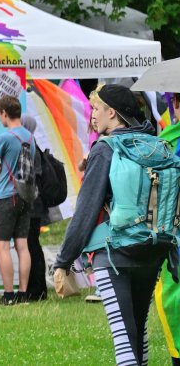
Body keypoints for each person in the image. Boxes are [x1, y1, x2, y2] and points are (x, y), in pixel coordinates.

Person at [53, 85, 178, 366]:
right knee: (137, 331)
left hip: (113, 255)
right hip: (152, 250)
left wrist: (62, 260)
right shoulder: (154, 144)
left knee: (123, 338)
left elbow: (85, 212)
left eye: (96, 109)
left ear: (112, 112)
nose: (93, 116)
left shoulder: (105, 149)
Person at [0, 95, 34, 305]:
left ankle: (8, 295)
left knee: (3, 246)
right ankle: (23, 293)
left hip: (6, 197)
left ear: (4, 113)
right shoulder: (30, 137)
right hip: (25, 196)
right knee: (22, 245)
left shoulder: (6, 137)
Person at [21, 115, 50, 302]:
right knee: (33, 245)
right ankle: (37, 288)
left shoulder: (29, 147)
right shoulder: (35, 145)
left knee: (31, 245)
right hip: (37, 204)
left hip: (32, 203)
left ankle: (36, 289)